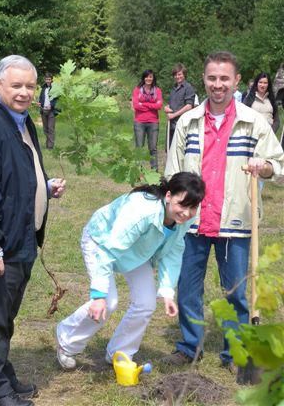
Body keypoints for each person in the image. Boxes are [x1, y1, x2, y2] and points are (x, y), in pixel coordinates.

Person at [164, 51, 284, 371]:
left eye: (224, 79)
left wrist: (264, 166)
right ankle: (190, 346)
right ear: (204, 79)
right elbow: (172, 171)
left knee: (236, 293)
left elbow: (278, 164)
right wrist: (172, 211)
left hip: (236, 221)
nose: (218, 85)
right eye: (212, 78)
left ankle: (236, 353)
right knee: (187, 289)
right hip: (192, 222)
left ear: (236, 81)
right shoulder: (188, 122)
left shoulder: (254, 122)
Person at [0, 55, 66, 406]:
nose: (24, 92)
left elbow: (15, 174)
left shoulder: (20, 121)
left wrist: (44, 187)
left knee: (5, 314)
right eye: (16, 85)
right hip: (0, 241)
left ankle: (0, 375)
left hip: (21, 235)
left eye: (30, 86)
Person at [56, 173, 205, 370]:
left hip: (137, 250)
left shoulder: (183, 220)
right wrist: (99, 295)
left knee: (146, 303)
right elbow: (109, 250)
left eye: (192, 207)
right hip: (101, 241)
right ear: (168, 196)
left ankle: (120, 353)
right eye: (182, 205)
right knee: (108, 301)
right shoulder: (142, 211)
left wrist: (167, 292)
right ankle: (66, 341)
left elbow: (173, 251)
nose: (186, 213)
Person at [132, 70, 163, 171]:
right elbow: (136, 105)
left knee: (153, 148)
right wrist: (152, 105)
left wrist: (143, 104)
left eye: (150, 77)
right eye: (146, 77)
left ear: (153, 78)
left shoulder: (157, 90)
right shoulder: (137, 90)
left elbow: (159, 106)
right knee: (139, 148)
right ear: (143, 78)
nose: (148, 79)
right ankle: (138, 171)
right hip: (139, 122)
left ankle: (154, 171)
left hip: (153, 122)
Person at [164, 64, 196, 149]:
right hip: (171, 124)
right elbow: (172, 104)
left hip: (182, 124)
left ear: (184, 74)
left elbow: (189, 106)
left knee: (179, 150)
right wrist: (166, 108)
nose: (177, 77)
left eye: (179, 74)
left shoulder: (188, 88)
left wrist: (173, 115)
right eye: (175, 75)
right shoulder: (173, 88)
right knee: (170, 149)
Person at [38, 73, 60, 149]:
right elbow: (41, 98)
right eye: (46, 79)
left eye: (49, 79)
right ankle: (48, 143)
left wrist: (51, 105)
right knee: (45, 129)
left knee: (50, 128)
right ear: (45, 80)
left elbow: (57, 99)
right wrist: (39, 103)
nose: (48, 81)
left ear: (51, 80)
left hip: (51, 111)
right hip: (43, 110)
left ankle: (50, 146)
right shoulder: (43, 88)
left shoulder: (55, 88)